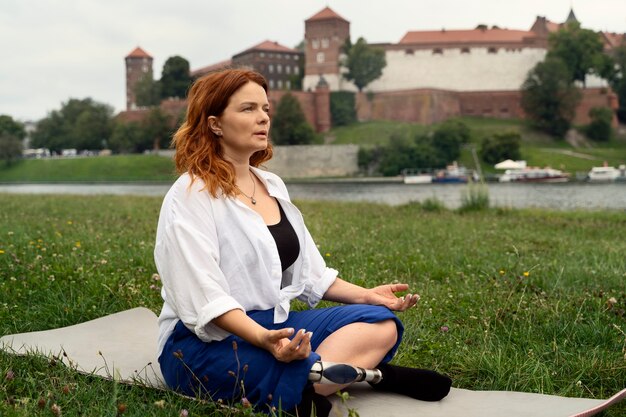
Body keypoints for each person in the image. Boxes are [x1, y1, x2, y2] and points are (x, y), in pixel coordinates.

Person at [155, 68, 451, 416]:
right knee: (301, 387)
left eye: (266, 109)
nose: (263, 117)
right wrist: (263, 340)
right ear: (215, 123)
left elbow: (311, 273)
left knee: (380, 322)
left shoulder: (271, 186)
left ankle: (322, 374)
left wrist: (367, 295)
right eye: (248, 109)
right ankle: (361, 375)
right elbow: (206, 300)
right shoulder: (191, 195)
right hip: (199, 344)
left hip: (272, 323)